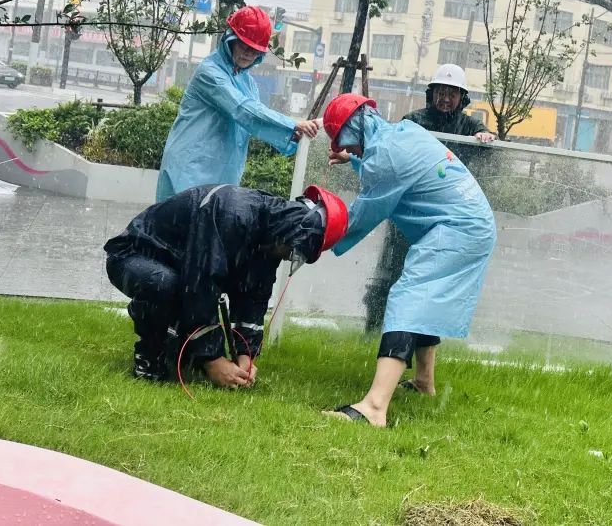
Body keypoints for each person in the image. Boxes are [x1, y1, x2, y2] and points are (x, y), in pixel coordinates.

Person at [322, 93, 497, 427]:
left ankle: (374, 408)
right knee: (424, 298)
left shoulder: (385, 155)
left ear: (354, 129)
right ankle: (424, 381)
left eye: (345, 141)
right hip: (471, 224)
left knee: (408, 299)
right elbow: (390, 169)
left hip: (457, 230)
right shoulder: (399, 134)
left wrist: (321, 238)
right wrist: (355, 158)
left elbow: (365, 211)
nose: (348, 148)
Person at [105, 183, 347, 387]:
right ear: (294, 232)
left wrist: (246, 355)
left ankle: (175, 340)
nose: (287, 258)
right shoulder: (232, 213)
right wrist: (213, 360)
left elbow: (254, 296)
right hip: (131, 256)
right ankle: (149, 358)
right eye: (294, 252)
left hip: (178, 267)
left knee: (179, 289)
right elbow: (201, 283)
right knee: (165, 284)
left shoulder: (268, 235)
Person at [362, 63, 496, 330]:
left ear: (462, 98)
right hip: (410, 209)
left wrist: (485, 135)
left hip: (446, 215)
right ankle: (375, 325)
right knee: (392, 267)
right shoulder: (414, 120)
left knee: (431, 272)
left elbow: (488, 140)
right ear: (431, 93)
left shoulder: (468, 124)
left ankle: (417, 328)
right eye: (441, 92)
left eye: (452, 94)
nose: (445, 98)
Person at [156, 6, 320, 201]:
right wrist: (291, 125)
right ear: (230, 40)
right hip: (189, 170)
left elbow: (255, 121)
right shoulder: (210, 73)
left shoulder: (248, 82)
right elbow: (242, 109)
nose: (249, 54)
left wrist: (293, 135)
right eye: (244, 45)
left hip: (222, 174)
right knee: (182, 219)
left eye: (255, 50)